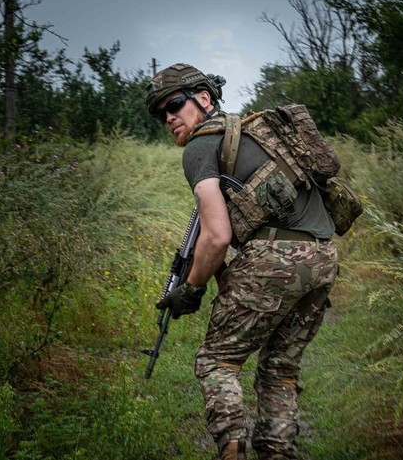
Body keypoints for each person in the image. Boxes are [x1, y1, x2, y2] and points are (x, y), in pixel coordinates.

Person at [145, 63, 339, 460]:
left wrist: (192, 289)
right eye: (160, 112)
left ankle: (232, 451)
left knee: (218, 360)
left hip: (275, 258)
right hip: (323, 256)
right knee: (279, 369)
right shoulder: (255, 133)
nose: (168, 117)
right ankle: (277, 452)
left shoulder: (202, 145)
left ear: (204, 98)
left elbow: (216, 237)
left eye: (175, 104)